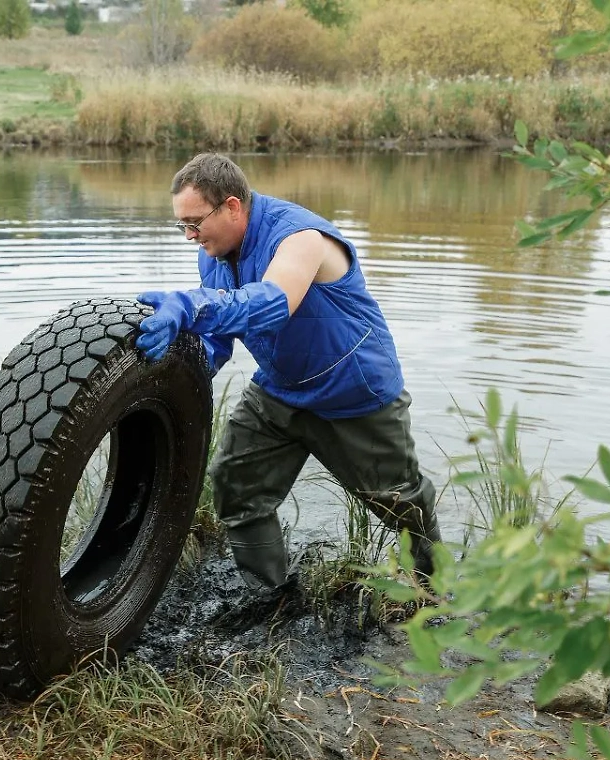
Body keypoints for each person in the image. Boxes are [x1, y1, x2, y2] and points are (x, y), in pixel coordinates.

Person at [135, 152, 441, 593]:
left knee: (397, 502)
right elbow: (221, 334)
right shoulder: (214, 253)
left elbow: (273, 303)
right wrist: (180, 370)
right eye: (181, 225)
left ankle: (435, 589)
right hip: (280, 390)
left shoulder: (300, 237)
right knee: (236, 486)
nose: (188, 236)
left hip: (352, 394)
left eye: (194, 223)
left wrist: (191, 305)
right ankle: (271, 595)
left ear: (232, 207)